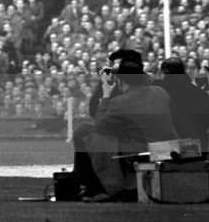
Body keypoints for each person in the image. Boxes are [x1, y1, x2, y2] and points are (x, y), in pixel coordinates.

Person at [72, 60, 178, 202]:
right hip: (168, 149)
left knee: (82, 131)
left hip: (142, 151)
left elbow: (100, 125)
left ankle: (92, 186)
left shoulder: (120, 102)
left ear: (121, 81)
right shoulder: (161, 92)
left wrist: (105, 95)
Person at [152, 57, 209, 150]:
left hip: (167, 150)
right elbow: (206, 121)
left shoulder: (158, 95)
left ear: (164, 73)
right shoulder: (201, 94)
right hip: (196, 149)